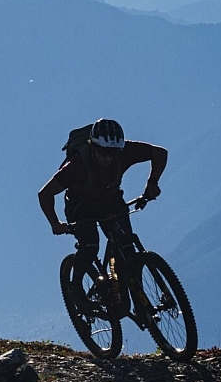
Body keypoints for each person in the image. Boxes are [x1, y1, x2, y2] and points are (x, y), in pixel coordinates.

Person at [37, 118, 168, 287]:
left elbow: (160, 153)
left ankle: (138, 298)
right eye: (103, 152)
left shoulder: (124, 151)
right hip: (80, 206)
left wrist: (153, 183)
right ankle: (76, 287)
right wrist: (55, 223)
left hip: (111, 201)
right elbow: (45, 193)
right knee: (90, 246)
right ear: (92, 146)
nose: (108, 158)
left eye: (112, 153)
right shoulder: (76, 165)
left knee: (127, 247)